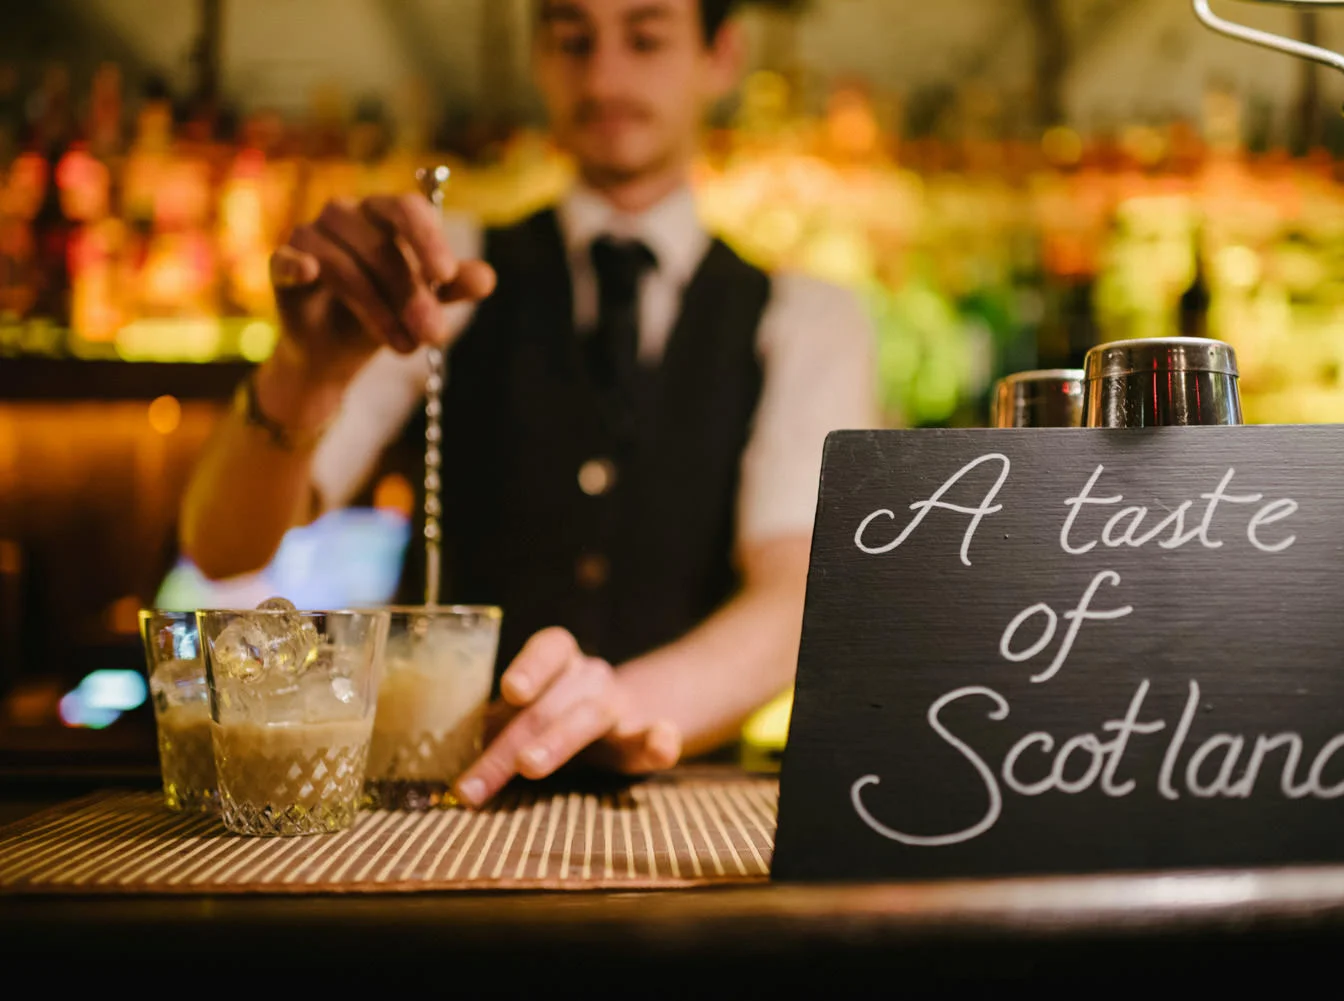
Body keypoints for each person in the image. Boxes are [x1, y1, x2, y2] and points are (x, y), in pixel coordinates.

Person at [179, 0, 877, 807]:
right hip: (437, 803)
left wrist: (629, 703)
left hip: (677, 807)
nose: (604, 77)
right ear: (538, 56)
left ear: (721, 55)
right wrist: (304, 373)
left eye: (645, 38)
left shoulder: (804, 316)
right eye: (572, 40)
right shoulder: (453, 271)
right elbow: (223, 545)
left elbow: (800, 589)